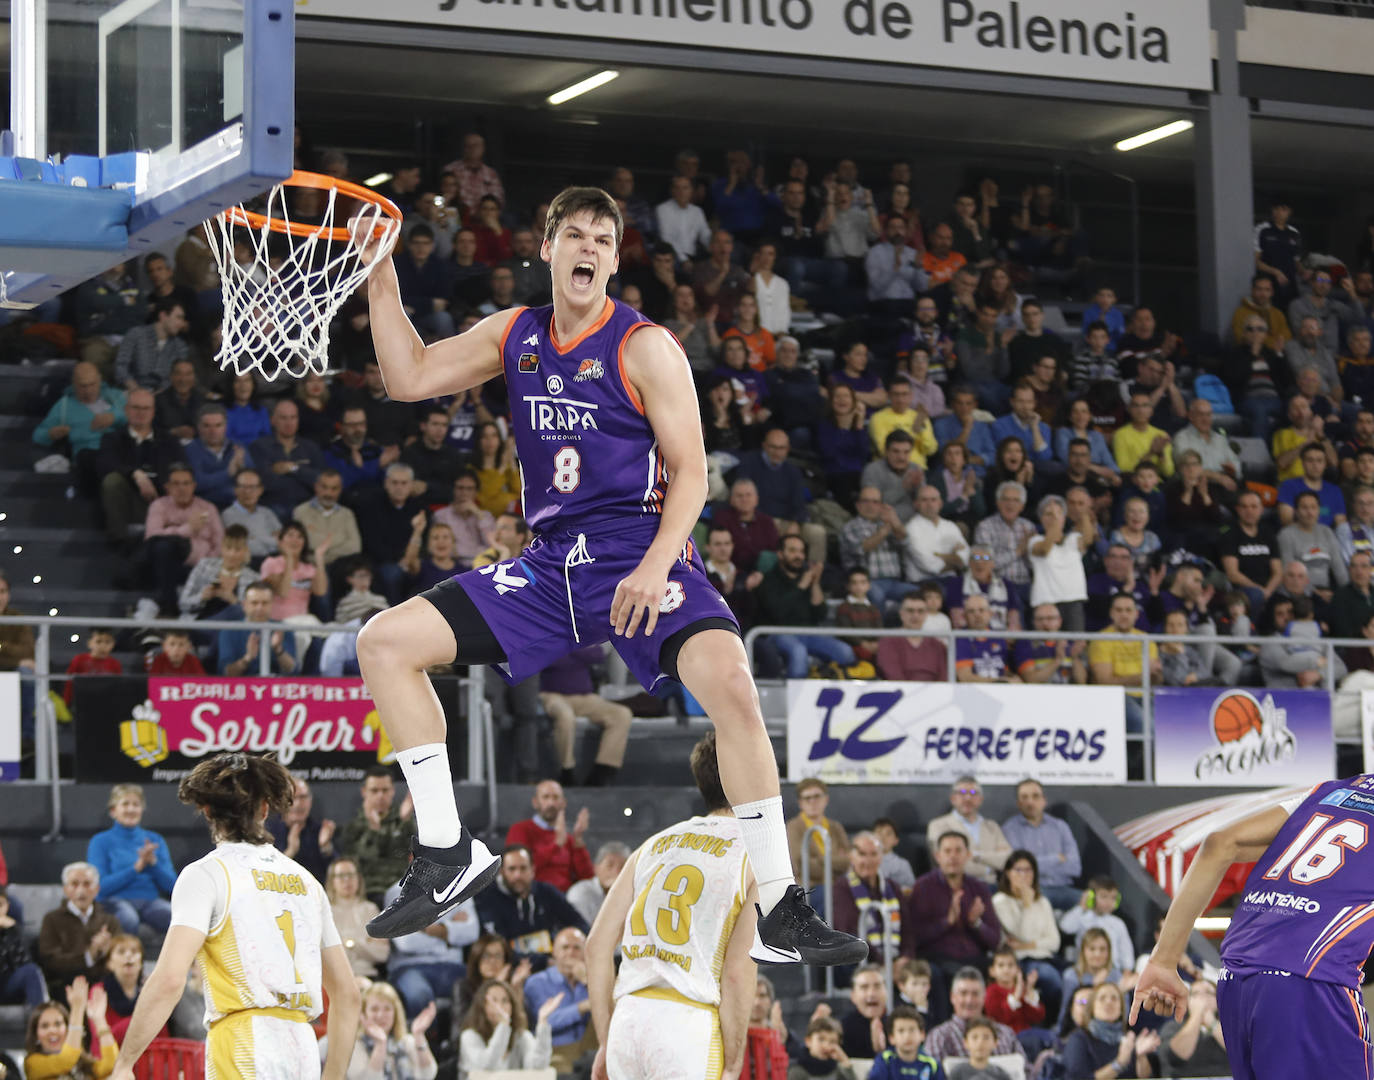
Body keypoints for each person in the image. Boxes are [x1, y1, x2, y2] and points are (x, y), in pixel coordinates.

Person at [355, 187, 862, 968]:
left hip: (637, 547)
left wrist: (658, 565)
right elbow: (409, 376)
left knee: (731, 681)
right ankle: (445, 847)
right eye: (574, 235)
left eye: (602, 238)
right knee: (383, 643)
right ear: (547, 249)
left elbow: (693, 475)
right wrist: (381, 278)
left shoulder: (645, 345)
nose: (587, 247)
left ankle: (779, 905)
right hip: (552, 560)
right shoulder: (516, 333)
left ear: (614, 259)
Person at [100, 752, 360, 1080]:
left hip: (243, 1039)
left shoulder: (207, 874)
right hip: (302, 1045)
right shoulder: (308, 882)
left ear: (207, 811)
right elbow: (348, 995)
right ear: (265, 809)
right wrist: (333, 1075)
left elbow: (168, 980)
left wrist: (124, 1064)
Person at [583, 731, 761, 1080]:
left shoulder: (651, 845)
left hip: (628, 1020)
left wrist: (607, 1040)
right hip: (687, 1024)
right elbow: (739, 973)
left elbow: (595, 948)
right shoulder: (755, 854)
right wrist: (735, 1059)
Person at [908, 836, 1002, 991]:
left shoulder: (979, 888)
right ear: (937, 856)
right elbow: (915, 937)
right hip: (938, 958)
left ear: (968, 855)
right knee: (959, 976)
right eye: (947, 851)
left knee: (1005, 972)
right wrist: (947, 922)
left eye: (958, 851)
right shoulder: (923, 887)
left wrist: (975, 923)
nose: (953, 856)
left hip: (975, 957)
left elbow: (994, 940)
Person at [85, 785, 175, 937]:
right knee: (128, 918)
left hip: (150, 901)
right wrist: (136, 868)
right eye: (125, 804)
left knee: (177, 918)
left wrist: (153, 864)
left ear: (142, 809)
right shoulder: (100, 841)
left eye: (136, 804)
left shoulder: (155, 839)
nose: (131, 809)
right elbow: (99, 887)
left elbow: (173, 886)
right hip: (113, 901)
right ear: (113, 811)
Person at [473, 845, 588, 961]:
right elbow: (499, 948)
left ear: (532, 870)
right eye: (512, 869)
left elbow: (579, 924)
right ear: (502, 872)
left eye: (523, 868)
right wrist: (543, 962)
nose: (517, 875)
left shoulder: (546, 891)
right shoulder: (488, 898)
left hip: (553, 960)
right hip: (511, 965)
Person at [990, 852, 1061, 1019]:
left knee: (1071, 977)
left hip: (1047, 957)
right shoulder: (1000, 901)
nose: (1024, 875)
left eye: (1028, 870)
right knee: (1049, 977)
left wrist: (1027, 944)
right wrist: (1027, 904)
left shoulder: (1042, 902)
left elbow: (1055, 942)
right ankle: (1049, 1020)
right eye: (1018, 870)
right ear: (1008, 873)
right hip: (1020, 960)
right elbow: (1020, 933)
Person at [37, 865, 122, 994]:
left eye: (87, 884)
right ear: (65, 889)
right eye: (74, 884)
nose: (81, 890)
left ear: (97, 889)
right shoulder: (51, 919)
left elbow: (120, 957)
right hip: (65, 987)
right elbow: (51, 962)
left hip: (104, 987)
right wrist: (89, 955)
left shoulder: (110, 920)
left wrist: (107, 952)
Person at [1001, 781, 1081, 910]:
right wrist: (1056, 859)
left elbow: (1075, 867)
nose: (1030, 802)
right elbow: (1020, 869)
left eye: (1035, 796)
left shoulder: (1060, 826)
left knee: (1093, 903)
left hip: (1064, 888)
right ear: (1018, 803)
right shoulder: (1010, 829)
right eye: (1024, 797)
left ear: (1044, 800)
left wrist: (1035, 864)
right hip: (1034, 889)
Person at [341, 767, 416, 905]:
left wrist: (404, 823)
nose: (380, 796)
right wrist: (374, 831)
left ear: (393, 791)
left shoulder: (405, 822)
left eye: (385, 790)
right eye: (374, 791)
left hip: (399, 893)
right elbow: (360, 859)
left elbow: (415, 854)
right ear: (364, 792)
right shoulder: (354, 827)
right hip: (366, 895)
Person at [333, 981, 437, 1080]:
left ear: (395, 1013)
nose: (380, 1015)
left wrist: (419, 1035)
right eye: (374, 1009)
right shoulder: (354, 1046)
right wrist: (380, 1045)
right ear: (363, 1014)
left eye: (387, 1009)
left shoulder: (406, 1041)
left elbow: (428, 1075)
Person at [505, 780, 595, 893]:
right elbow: (519, 870)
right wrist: (556, 845)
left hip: (565, 898)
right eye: (546, 797)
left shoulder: (569, 838)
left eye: (556, 797)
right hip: (533, 894)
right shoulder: (520, 830)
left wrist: (578, 839)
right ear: (535, 802)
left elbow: (587, 878)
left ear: (563, 803)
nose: (551, 803)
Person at [833, 833, 907, 966]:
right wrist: (885, 965)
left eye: (873, 854)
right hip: (859, 960)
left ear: (881, 857)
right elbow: (850, 933)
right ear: (851, 856)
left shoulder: (893, 887)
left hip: (895, 961)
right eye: (862, 854)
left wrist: (906, 958)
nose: (868, 861)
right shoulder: (841, 887)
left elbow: (908, 927)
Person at [923, 968, 1026, 1062]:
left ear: (984, 997)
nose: (969, 1000)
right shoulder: (939, 1037)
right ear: (952, 997)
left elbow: (1026, 1072)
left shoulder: (1005, 1034)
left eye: (975, 994)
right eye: (963, 993)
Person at [458, 977, 556, 1074]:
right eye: (493, 1001)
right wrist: (503, 1025)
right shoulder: (469, 1036)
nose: (499, 1006)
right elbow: (486, 1067)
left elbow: (538, 1066)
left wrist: (543, 1023)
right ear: (482, 1005)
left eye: (504, 1001)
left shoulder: (521, 1035)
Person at [23, 979, 118, 1080]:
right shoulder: (32, 1063)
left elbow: (111, 1065)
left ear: (67, 1029)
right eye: (45, 1026)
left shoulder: (82, 1062)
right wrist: (77, 1008)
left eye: (58, 1024)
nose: (52, 1030)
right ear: (36, 1034)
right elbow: (65, 1060)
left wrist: (99, 1019)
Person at [925, 779, 1012, 886]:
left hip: (992, 886)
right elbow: (946, 863)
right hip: (955, 887)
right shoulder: (938, 825)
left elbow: (1008, 860)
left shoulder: (992, 826)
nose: (968, 798)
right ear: (953, 799)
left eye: (973, 793)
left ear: (981, 799)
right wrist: (989, 866)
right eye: (962, 793)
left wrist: (975, 856)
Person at [1063, 983, 1159, 1079]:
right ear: (1092, 1008)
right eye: (1102, 998)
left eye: (1114, 998)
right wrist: (1119, 1063)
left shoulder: (1128, 1038)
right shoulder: (1078, 1039)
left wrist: (1140, 1056)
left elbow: (1145, 1077)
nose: (1109, 1002)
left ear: (1121, 1009)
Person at [322, 857, 388, 979]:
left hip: (367, 976)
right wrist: (365, 942)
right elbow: (324, 954)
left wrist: (349, 943)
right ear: (332, 881)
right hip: (335, 977)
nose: (347, 880)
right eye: (341, 875)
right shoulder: (324, 912)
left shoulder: (370, 909)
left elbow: (382, 954)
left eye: (351, 875)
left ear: (359, 879)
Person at [216, 580, 298, 677]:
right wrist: (247, 658)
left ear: (272, 605)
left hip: (276, 687)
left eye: (265, 603)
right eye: (254, 603)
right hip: (242, 687)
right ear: (244, 605)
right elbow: (226, 673)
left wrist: (278, 650)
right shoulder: (229, 631)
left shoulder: (282, 629)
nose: (259, 608)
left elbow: (293, 670)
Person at [267, 776, 337, 884]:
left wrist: (325, 847)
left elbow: (338, 873)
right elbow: (265, 872)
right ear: (282, 801)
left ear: (310, 800)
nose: (299, 804)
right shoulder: (268, 830)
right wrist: (291, 851)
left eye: (303, 797)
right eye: (294, 798)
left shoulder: (321, 830)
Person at [1156, 977, 1228, 1078]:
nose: (1202, 997)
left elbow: (1239, 1052)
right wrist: (1197, 1015)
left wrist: (1211, 1022)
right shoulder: (1173, 1027)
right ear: (1188, 1001)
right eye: (1196, 994)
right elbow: (1176, 1056)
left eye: (1208, 993)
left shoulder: (1230, 1027)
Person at [1059, 877, 1135, 972]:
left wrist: (1127, 971)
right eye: (1104, 896)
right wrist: (1082, 906)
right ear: (1091, 897)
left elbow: (1126, 951)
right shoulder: (1082, 917)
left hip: (1112, 970)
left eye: (1113, 898)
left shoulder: (1118, 923)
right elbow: (1065, 927)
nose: (1109, 902)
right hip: (1085, 969)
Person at [787, 777, 852, 888]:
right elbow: (801, 865)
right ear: (800, 803)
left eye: (817, 796)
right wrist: (834, 862)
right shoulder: (793, 827)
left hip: (838, 885)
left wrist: (819, 860)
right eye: (807, 798)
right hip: (809, 888)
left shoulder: (835, 827)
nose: (812, 802)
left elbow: (848, 862)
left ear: (826, 799)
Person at [876, 593, 947, 683]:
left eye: (920, 611)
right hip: (899, 693)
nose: (915, 616)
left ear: (926, 615)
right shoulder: (888, 641)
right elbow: (893, 675)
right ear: (901, 614)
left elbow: (944, 678)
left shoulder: (937, 645)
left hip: (935, 694)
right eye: (910, 611)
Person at [565, 843, 628, 930]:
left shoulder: (635, 894)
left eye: (622, 867)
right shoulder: (580, 892)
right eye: (610, 865)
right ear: (596, 868)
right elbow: (581, 930)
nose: (616, 872)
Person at [868, 1006, 942, 1080]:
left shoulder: (932, 1064)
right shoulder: (885, 1060)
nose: (907, 1036)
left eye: (912, 1030)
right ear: (891, 1038)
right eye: (901, 1031)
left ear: (922, 1034)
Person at [948, 1017, 1014, 1080]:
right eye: (974, 1037)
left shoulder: (1001, 1075)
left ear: (995, 1043)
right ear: (965, 1042)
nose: (980, 1043)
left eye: (986, 1037)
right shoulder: (957, 1073)